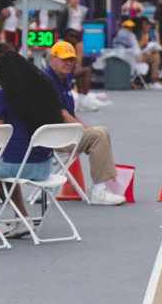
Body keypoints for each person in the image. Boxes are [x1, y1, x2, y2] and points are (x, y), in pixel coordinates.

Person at [0, 52, 64, 237]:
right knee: (1, 167)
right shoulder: (45, 92)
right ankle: (22, 218)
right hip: (45, 166)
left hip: (17, 164)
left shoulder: (1, 98)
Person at [42, 41, 126, 205]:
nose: (69, 63)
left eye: (71, 60)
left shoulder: (63, 80)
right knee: (97, 136)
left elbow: (70, 114)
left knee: (101, 130)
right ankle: (98, 192)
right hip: (52, 136)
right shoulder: (47, 81)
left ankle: (101, 185)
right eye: (65, 59)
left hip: (62, 133)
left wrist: (87, 128)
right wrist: (84, 131)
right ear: (53, 59)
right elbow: (63, 114)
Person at [112, 19, 162, 88]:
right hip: (133, 57)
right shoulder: (130, 35)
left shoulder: (123, 34)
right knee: (155, 57)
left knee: (155, 54)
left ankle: (155, 78)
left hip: (131, 55)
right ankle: (153, 80)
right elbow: (136, 49)